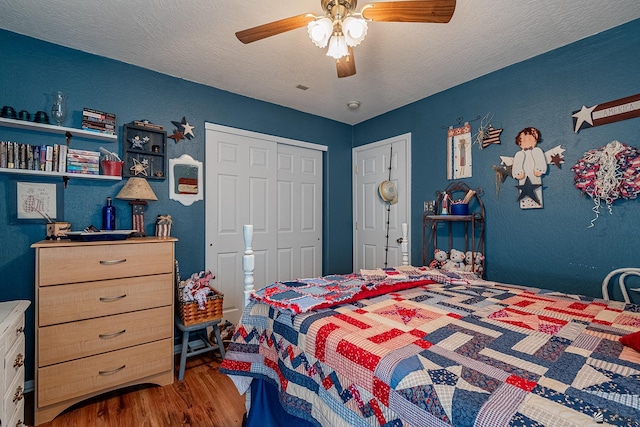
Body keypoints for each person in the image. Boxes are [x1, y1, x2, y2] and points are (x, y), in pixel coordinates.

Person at [511, 127, 546, 208]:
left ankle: (535, 202)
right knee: (525, 195)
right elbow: (517, 164)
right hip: (523, 179)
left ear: (536, 140)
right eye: (524, 140)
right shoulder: (519, 154)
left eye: (530, 139)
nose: (527, 141)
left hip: (534, 177)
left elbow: (540, 160)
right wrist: (518, 172)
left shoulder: (537, 151)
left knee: (536, 192)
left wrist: (539, 169)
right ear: (519, 142)